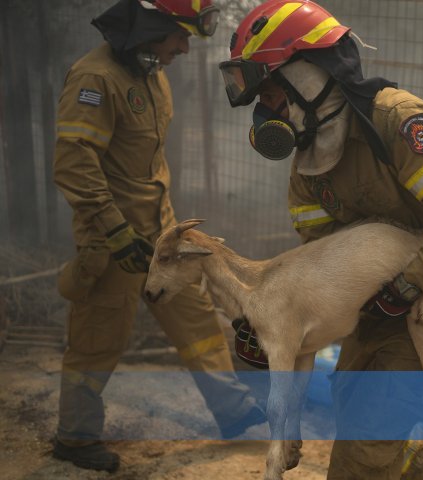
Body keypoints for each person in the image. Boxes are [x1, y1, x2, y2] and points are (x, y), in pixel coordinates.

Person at [219, 1, 423, 478]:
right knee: (351, 403)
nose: (265, 115)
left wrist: (408, 285)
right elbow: (323, 262)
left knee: (366, 439)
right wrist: (273, 322)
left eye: (269, 95)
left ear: (306, 77)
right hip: (372, 306)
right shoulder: (309, 165)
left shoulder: (398, 123)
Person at [51, 0, 266, 472]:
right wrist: (115, 232)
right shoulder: (95, 79)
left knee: (197, 320)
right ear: (152, 27)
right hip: (111, 242)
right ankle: (76, 438)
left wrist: (166, 230)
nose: (185, 48)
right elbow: (74, 164)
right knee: (98, 338)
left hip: (161, 236)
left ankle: (235, 413)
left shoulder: (152, 74)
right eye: (180, 36)